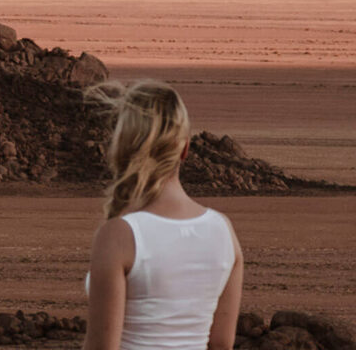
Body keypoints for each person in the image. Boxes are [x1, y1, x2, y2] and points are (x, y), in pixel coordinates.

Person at [83, 78, 243, 350]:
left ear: (122, 147)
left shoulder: (120, 236)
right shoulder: (223, 231)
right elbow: (221, 344)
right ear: (185, 149)